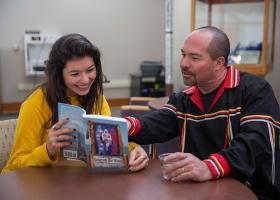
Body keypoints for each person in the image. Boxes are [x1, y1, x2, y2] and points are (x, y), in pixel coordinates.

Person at [126, 26, 280, 199]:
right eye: (183, 54)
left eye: (194, 58)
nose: (184, 63)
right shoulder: (184, 98)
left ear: (219, 63)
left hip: (253, 193)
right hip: (201, 192)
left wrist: (208, 167)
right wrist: (125, 126)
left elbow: (255, 144)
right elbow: (159, 122)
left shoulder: (254, 90)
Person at [2, 33, 148, 173]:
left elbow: (107, 144)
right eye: (75, 74)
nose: (85, 80)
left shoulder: (96, 97)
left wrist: (133, 149)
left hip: (81, 182)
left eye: (90, 70)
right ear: (59, 75)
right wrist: (48, 150)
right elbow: (15, 164)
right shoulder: (34, 105)